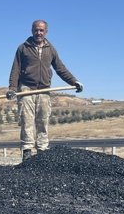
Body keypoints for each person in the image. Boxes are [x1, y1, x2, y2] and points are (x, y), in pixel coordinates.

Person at [8, 20, 83, 160]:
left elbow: (60, 68)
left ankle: (42, 151)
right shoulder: (23, 48)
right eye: (36, 30)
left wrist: (74, 81)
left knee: (43, 120)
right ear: (32, 31)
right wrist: (12, 88)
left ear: (46, 32)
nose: (39, 33)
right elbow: (15, 69)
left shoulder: (51, 49)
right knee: (27, 120)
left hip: (44, 89)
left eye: (41, 30)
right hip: (26, 88)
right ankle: (27, 151)